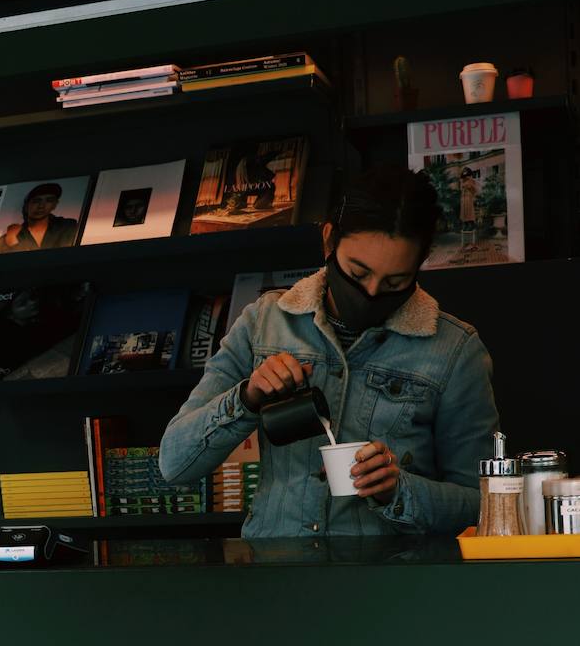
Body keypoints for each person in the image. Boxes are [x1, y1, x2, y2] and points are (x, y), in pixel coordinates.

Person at [159, 165, 498, 537]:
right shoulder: (264, 323)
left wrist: (398, 490)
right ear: (328, 240)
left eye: (395, 281)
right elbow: (175, 464)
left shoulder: (454, 350)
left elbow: (483, 500)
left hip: (392, 582)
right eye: (356, 273)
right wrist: (246, 398)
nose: (370, 293)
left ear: (421, 262)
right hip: (278, 576)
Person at [0, 182, 79, 253]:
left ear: (54, 205)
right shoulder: (7, 238)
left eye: (49, 200)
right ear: (26, 205)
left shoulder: (67, 226)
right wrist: (11, 240)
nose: (41, 206)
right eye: (36, 201)